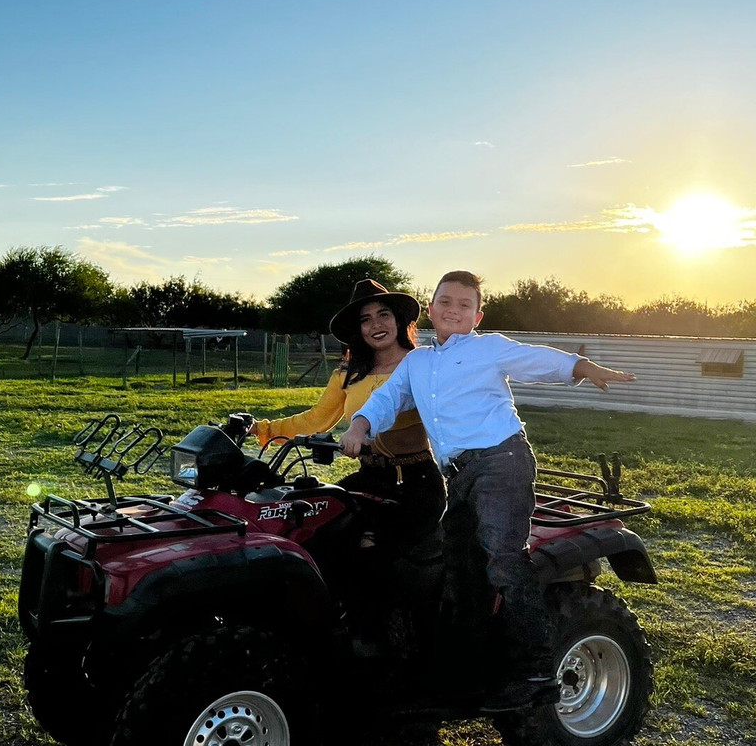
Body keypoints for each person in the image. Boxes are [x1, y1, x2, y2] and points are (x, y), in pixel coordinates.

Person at [340, 270, 636, 712]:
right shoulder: (416, 363)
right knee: (459, 571)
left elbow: (538, 358)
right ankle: (460, 680)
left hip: (502, 461)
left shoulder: (488, 349)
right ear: (430, 307)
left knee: (502, 556)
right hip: (456, 474)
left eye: (464, 304)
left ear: (477, 315)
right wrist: (360, 425)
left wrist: (582, 366)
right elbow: (388, 400)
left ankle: (535, 671)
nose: (453, 309)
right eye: (445, 301)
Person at [251, 279, 446, 555]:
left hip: (417, 483)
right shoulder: (348, 373)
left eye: (383, 315)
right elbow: (316, 419)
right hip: (368, 478)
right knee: (315, 528)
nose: (376, 325)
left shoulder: (423, 365)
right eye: (366, 320)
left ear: (398, 319)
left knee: (376, 551)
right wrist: (263, 429)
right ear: (358, 329)